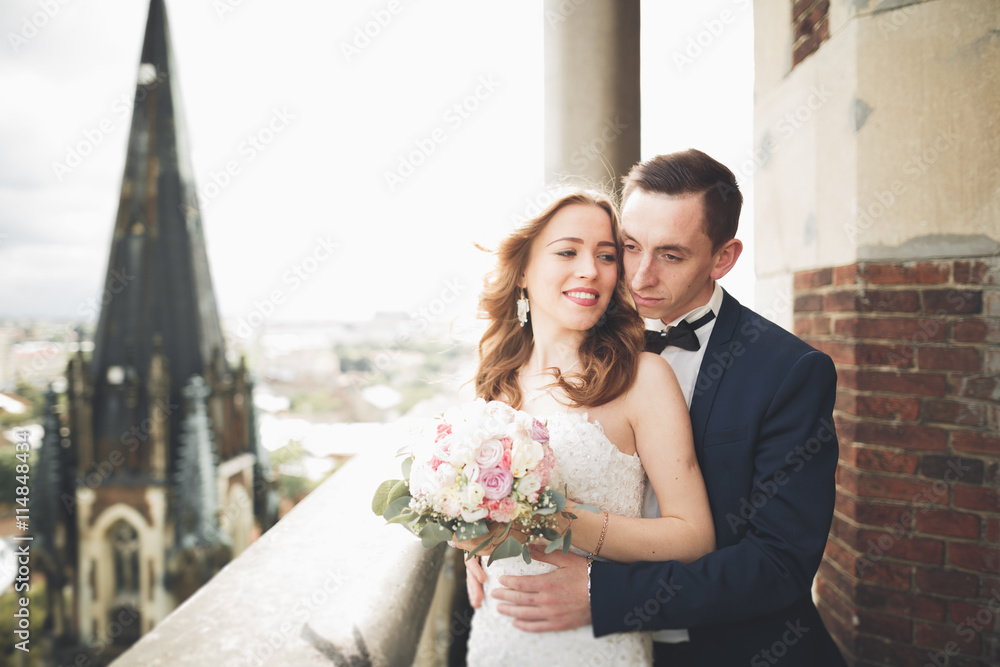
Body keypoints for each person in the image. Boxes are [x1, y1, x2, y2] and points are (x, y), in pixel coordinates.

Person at [476, 150, 847, 666]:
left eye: (671, 256)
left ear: (723, 258)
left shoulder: (787, 372)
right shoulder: (560, 344)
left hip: (733, 650)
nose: (640, 276)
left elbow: (779, 564)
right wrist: (483, 533)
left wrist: (599, 593)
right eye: (627, 248)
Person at [460, 188, 716, 666]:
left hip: (595, 647)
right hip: (498, 639)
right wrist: (469, 537)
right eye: (567, 251)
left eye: (606, 255)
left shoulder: (642, 378)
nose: (590, 269)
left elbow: (693, 536)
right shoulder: (495, 382)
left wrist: (554, 519)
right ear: (521, 271)